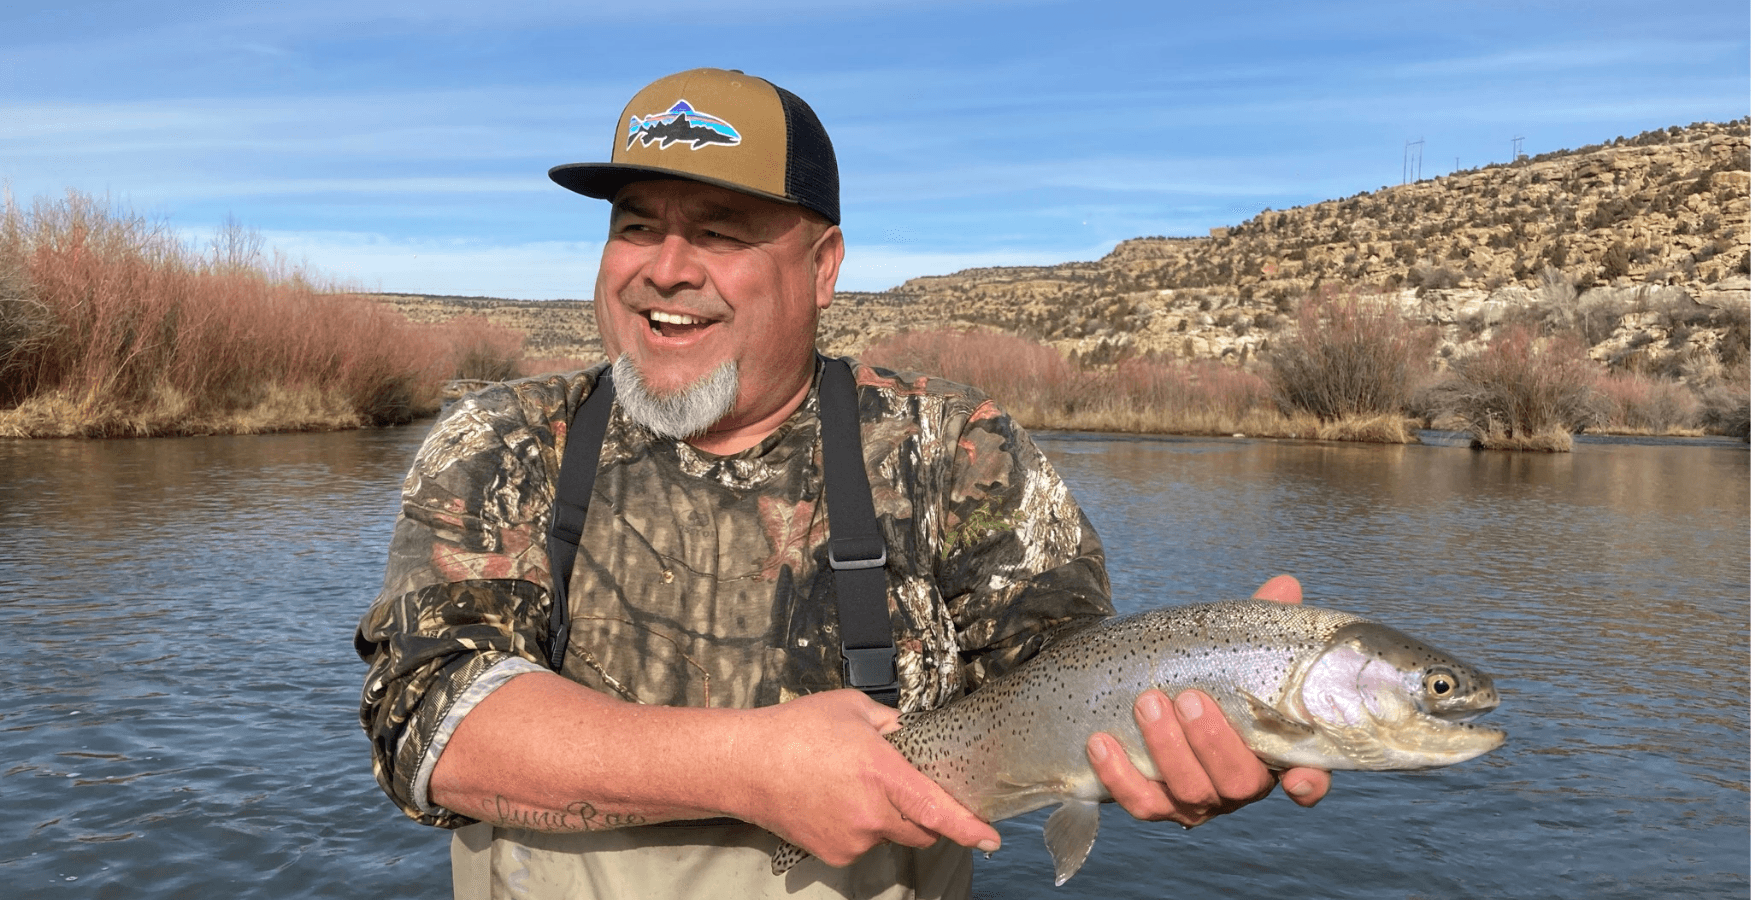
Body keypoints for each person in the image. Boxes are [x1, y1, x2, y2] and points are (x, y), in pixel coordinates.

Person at [354, 67, 1329, 900]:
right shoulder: (508, 438)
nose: (665, 270)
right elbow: (426, 724)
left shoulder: (956, 448)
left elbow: (1067, 689)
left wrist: (1209, 712)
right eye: (637, 226)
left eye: (722, 232)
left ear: (823, 268)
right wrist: (751, 769)